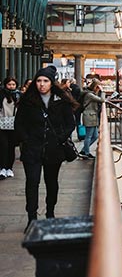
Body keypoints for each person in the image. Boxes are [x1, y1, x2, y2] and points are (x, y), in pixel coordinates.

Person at [14, 65, 77, 227]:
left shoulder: (61, 101)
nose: (41, 84)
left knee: (52, 182)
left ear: (52, 83)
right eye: (39, 81)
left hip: (53, 149)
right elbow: (19, 124)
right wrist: (26, 140)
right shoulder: (28, 101)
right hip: (32, 149)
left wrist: (61, 139)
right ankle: (32, 217)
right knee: (32, 182)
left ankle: (50, 212)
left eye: (45, 81)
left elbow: (70, 123)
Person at [78, 79, 105, 160]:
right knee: (89, 136)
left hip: (92, 116)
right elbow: (102, 100)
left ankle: (83, 150)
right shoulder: (89, 95)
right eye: (98, 87)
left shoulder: (90, 93)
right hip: (89, 116)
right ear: (96, 87)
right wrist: (102, 91)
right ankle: (86, 153)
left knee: (95, 136)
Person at [0, 77, 20, 179]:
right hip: (2, 124)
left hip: (14, 125)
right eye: (9, 84)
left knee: (11, 147)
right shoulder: (1, 95)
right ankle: (2, 168)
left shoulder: (19, 96)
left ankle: (9, 168)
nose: (11, 86)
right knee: (3, 146)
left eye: (13, 84)